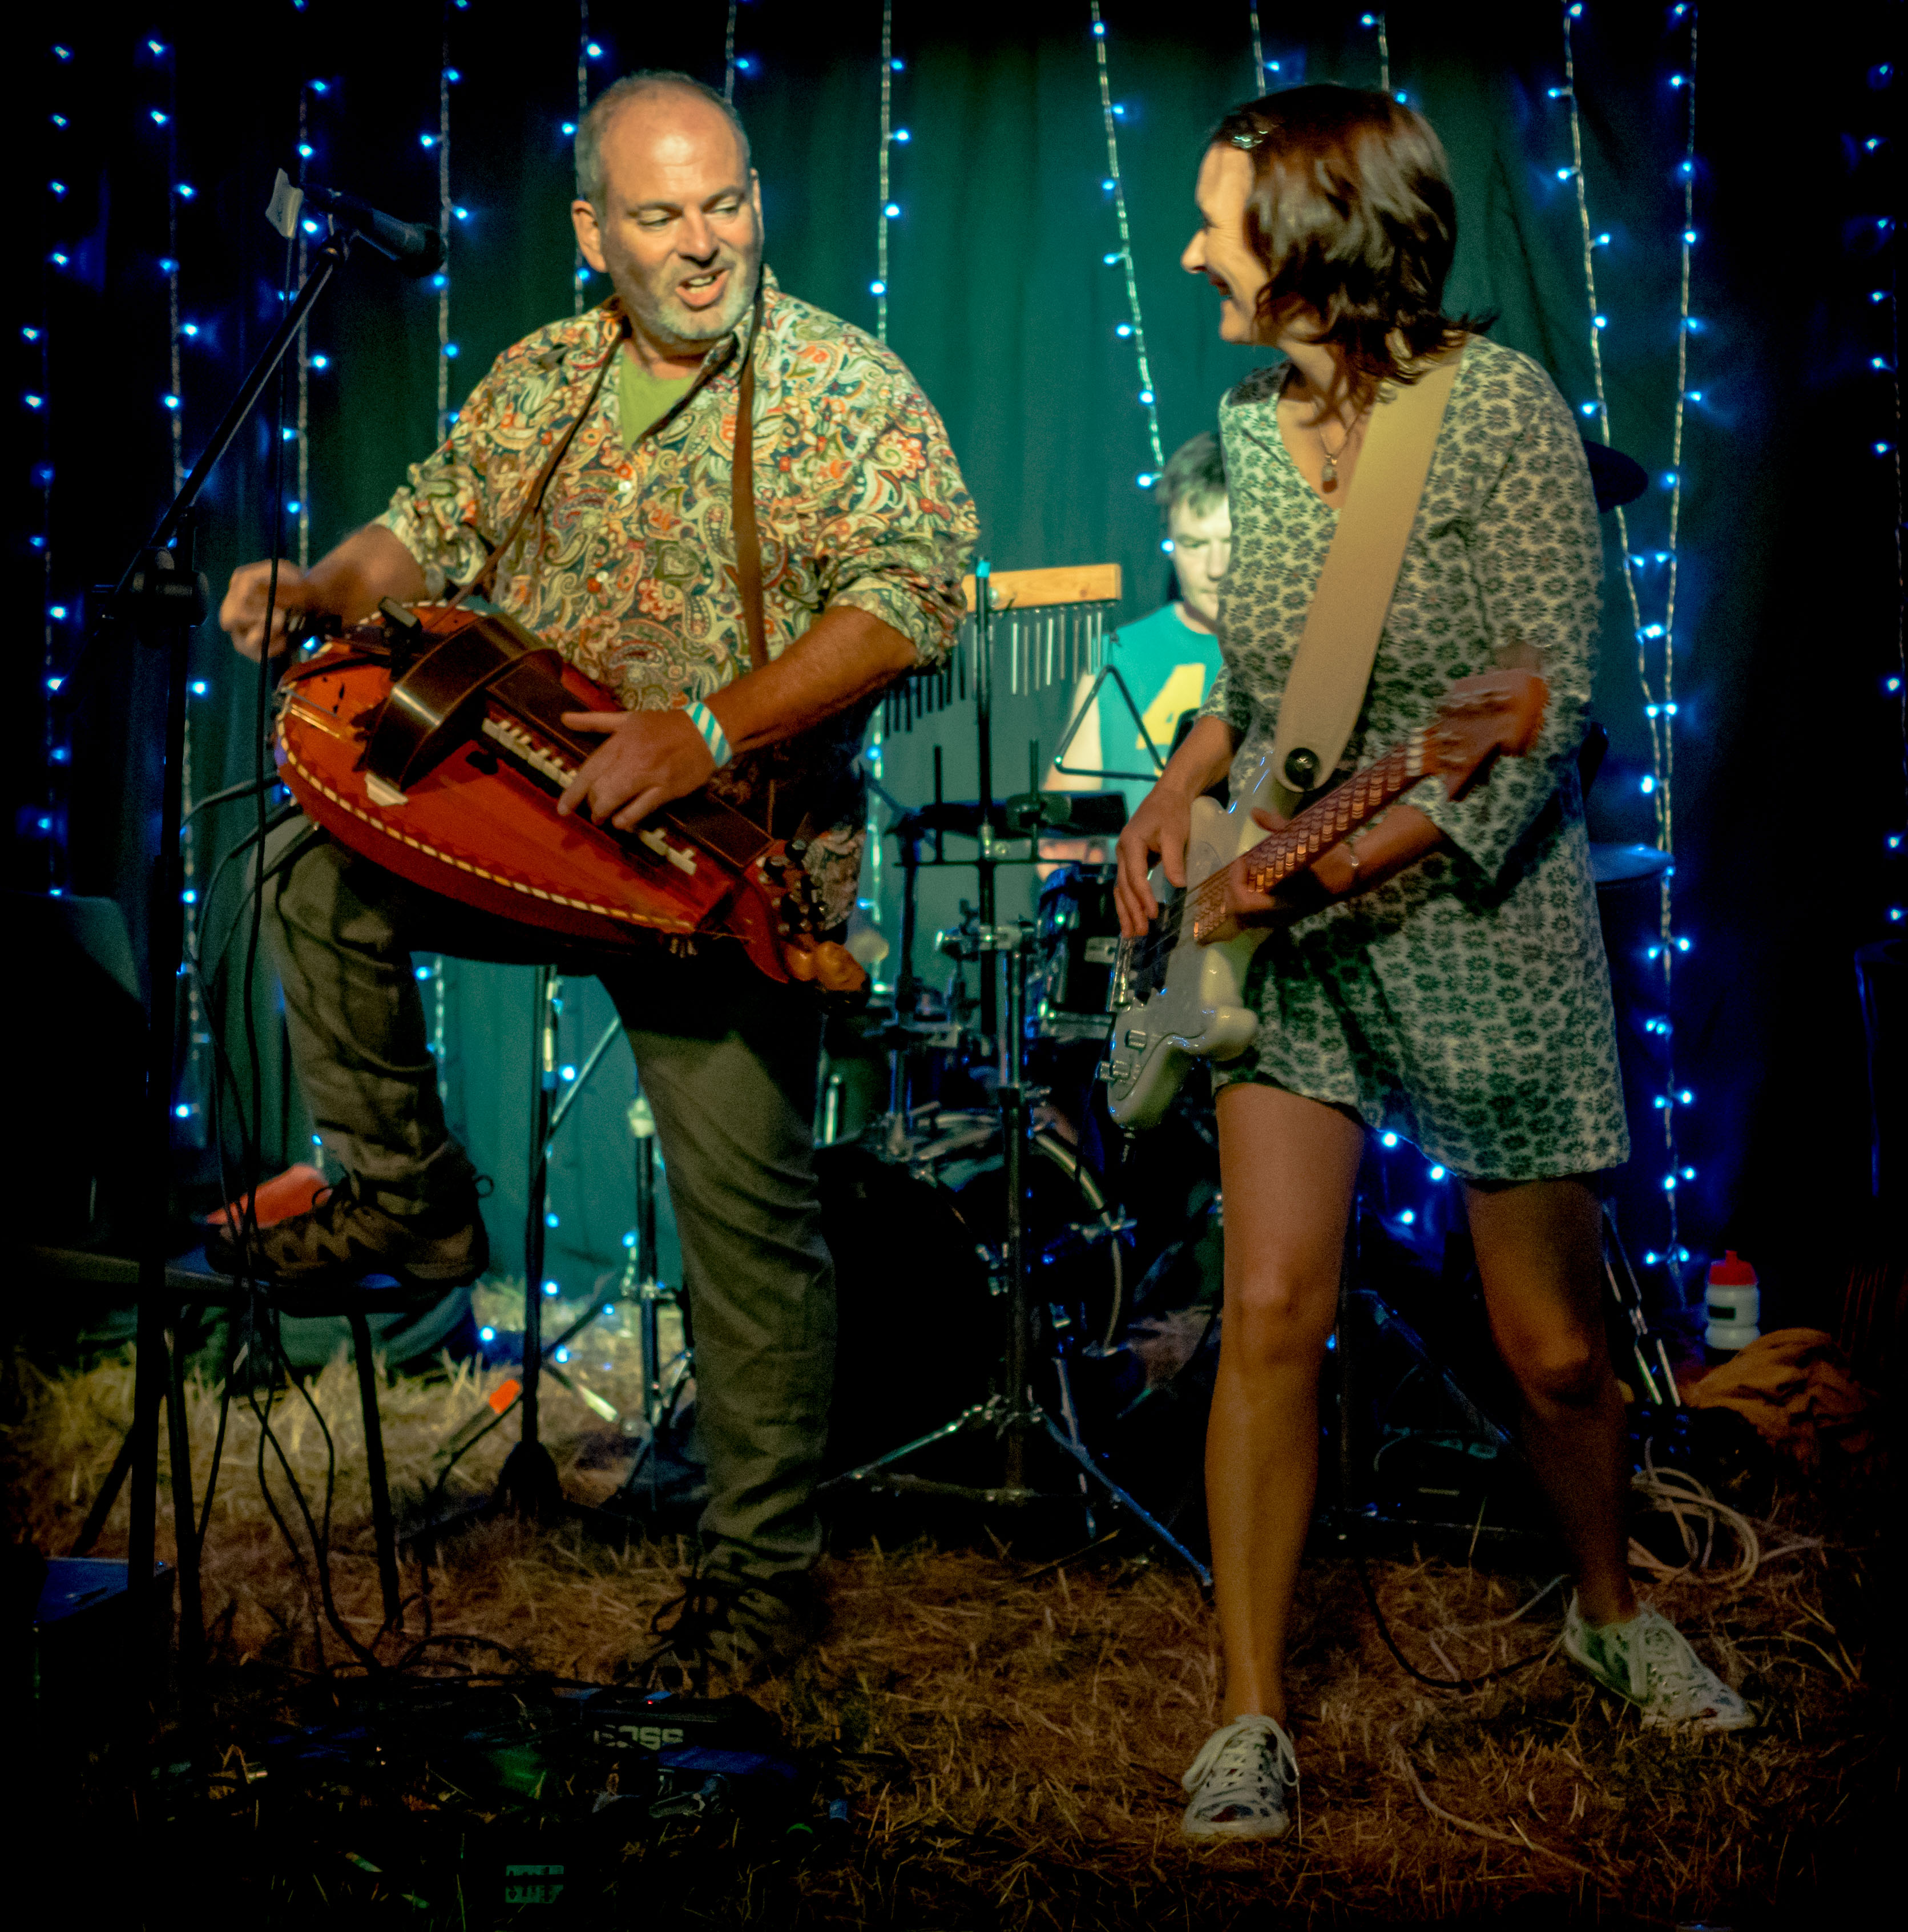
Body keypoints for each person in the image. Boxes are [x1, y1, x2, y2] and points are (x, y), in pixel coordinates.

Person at [215, 71, 977, 1679]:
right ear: (591, 233)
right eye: (660, 214)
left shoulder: (841, 383)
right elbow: (422, 531)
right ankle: (412, 1204)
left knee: (749, 1235)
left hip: (720, 873)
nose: (703, 243)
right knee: (299, 864)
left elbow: (910, 601)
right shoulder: (544, 375)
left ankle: (755, 1587)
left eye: (727, 203)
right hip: (531, 827)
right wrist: (321, 586)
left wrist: (707, 729)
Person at [1113, 85, 1749, 1845]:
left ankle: (1609, 1612)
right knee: (1267, 1312)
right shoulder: (1246, 432)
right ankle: (1247, 1713)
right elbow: (1262, 684)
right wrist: (1181, 788)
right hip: (1292, 942)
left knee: (1549, 1349)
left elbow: (1538, 720)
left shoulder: (1500, 413)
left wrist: (1308, 872)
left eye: (1215, 219)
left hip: (1481, 924)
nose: (1192, 251)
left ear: (1309, 235)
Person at [1044, 431, 1230, 834]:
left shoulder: (1293, 651)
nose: (1216, 567)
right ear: (1169, 543)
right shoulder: (1118, 653)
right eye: (1195, 544)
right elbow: (1061, 832)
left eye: (1232, 540)